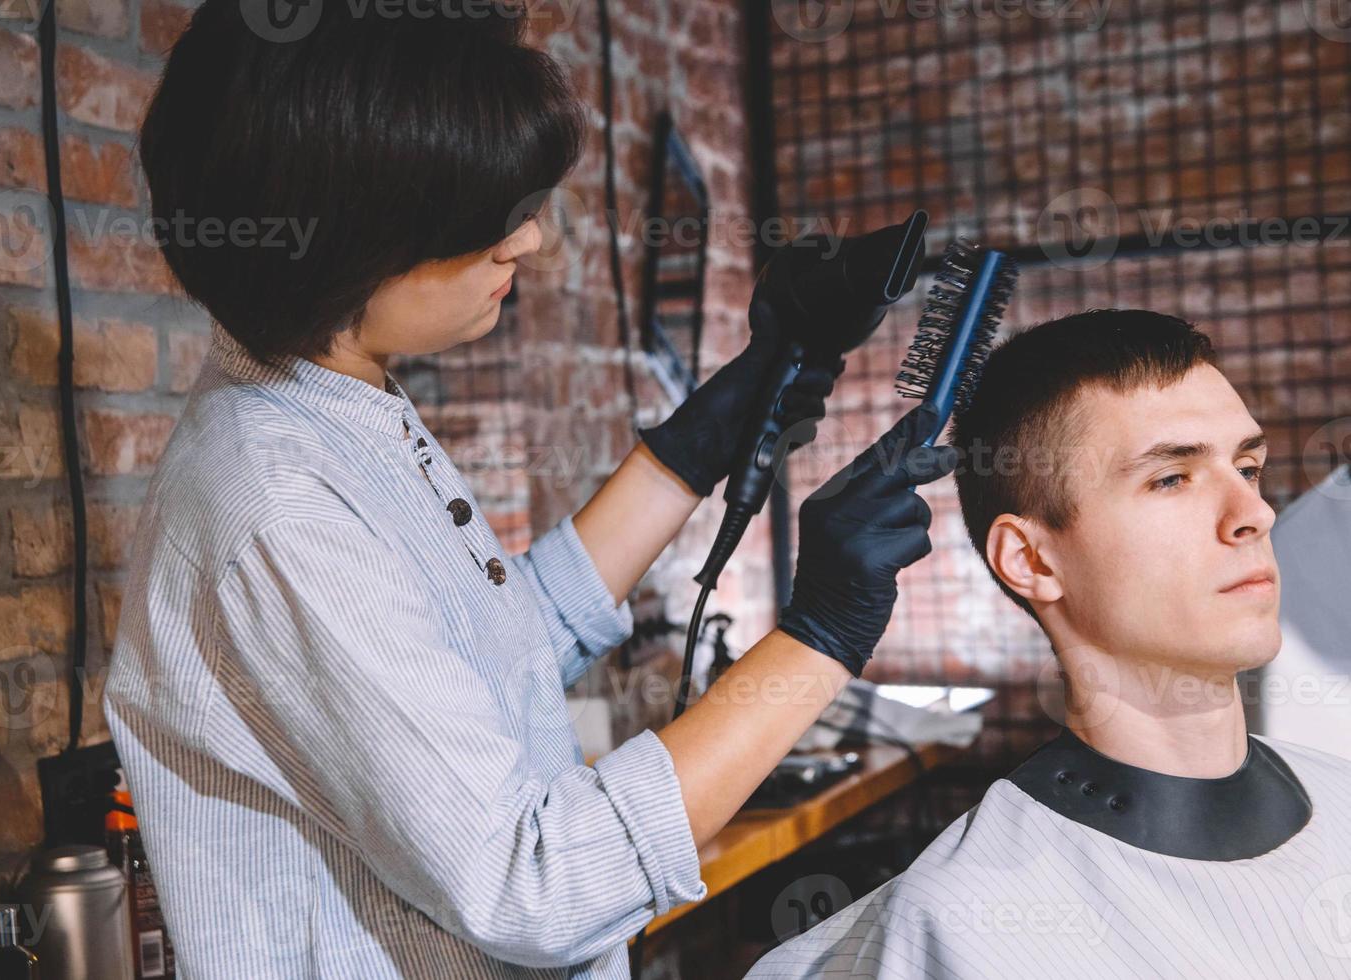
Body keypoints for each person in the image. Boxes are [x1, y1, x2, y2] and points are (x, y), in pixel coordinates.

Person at [100, 1, 957, 976]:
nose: (531, 242)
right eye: (487, 217)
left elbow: (504, 643)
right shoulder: (279, 502)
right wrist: (821, 633)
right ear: (351, 234)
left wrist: (720, 415)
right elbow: (536, 881)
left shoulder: (340, 410)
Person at [747, 309, 1351, 979]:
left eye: (1247, 467)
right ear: (1032, 561)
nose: (1255, 514)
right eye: (1171, 479)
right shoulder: (969, 926)